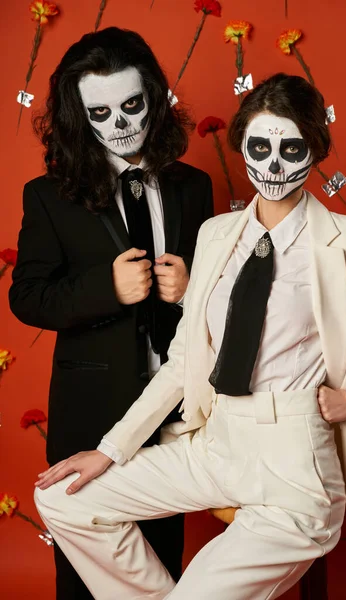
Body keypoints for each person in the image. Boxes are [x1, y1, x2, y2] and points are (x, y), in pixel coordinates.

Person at [34, 73, 346, 600]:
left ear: (315, 150)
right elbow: (186, 358)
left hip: (294, 466)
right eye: (260, 147)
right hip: (215, 442)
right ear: (242, 147)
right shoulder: (217, 235)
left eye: (291, 147)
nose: (273, 165)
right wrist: (112, 450)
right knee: (65, 499)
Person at [10, 27, 213, 600]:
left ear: (152, 96)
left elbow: (218, 297)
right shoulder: (48, 194)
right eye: (100, 111)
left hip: (172, 410)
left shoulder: (192, 186)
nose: (121, 123)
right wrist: (107, 288)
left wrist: (190, 290)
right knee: (85, 576)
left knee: (160, 560)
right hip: (89, 411)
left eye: (131, 105)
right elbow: (26, 297)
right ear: (80, 114)